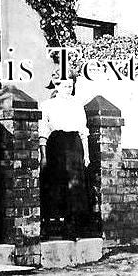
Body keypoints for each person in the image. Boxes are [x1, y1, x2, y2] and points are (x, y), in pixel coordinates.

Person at [38, 76, 92, 239]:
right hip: (56, 145)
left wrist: (87, 154)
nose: (69, 89)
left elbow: (83, 131)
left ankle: (72, 227)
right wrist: (43, 155)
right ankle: (49, 227)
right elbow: (43, 131)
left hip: (74, 145)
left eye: (71, 86)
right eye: (65, 86)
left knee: (75, 186)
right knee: (56, 184)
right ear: (56, 85)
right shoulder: (47, 105)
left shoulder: (77, 105)